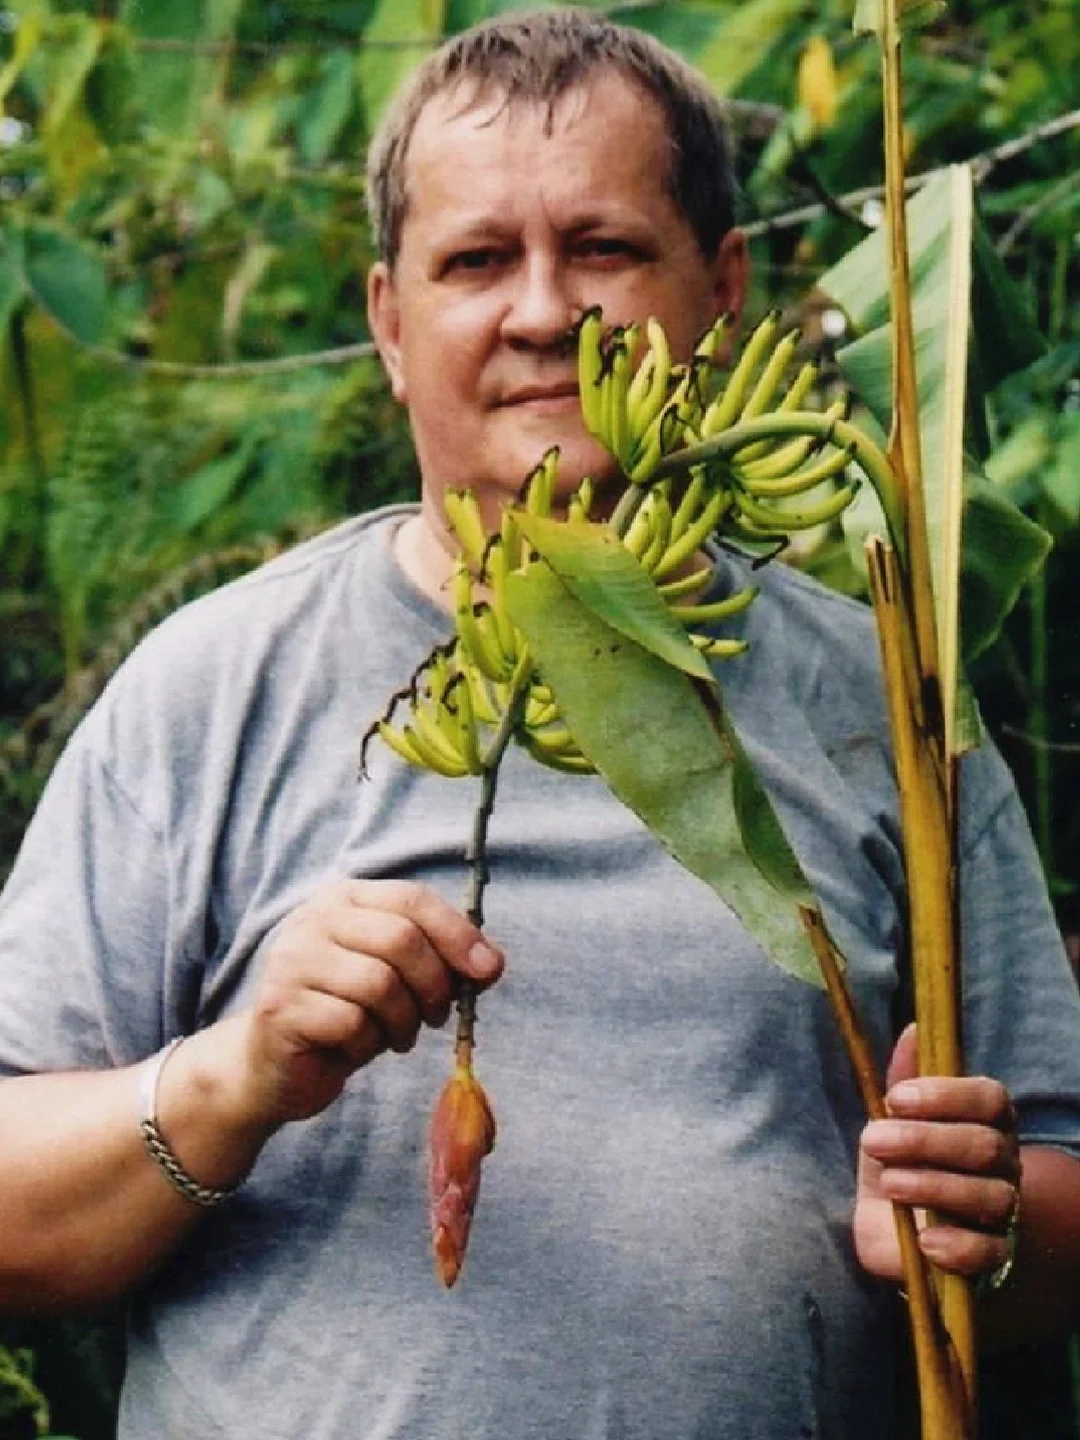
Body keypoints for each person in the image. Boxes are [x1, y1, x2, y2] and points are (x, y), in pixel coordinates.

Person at [1, 10, 1079, 1438]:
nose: (540, 309)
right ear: (390, 324)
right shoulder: (215, 686)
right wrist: (227, 1079)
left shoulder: (881, 689)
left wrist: (980, 1237)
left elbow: (1057, 1198)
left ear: (724, 288)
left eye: (607, 248)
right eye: (475, 261)